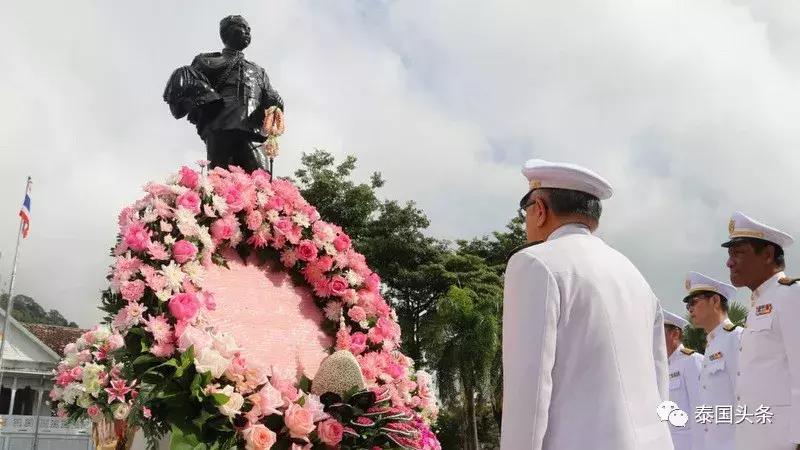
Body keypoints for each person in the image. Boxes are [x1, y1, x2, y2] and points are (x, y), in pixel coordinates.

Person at [501, 159, 673, 450]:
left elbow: (528, 393)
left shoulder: (534, 264)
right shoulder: (635, 276)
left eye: (526, 211)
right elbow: (659, 383)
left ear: (540, 209)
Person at [163, 15, 285, 172]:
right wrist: (209, 101)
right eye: (242, 27)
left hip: (253, 130)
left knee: (261, 178)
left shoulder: (259, 71)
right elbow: (186, 80)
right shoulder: (207, 61)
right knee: (219, 178)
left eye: (249, 29)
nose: (247, 31)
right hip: (220, 128)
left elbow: (269, 97)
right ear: (227, 32)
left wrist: (275, 101)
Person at [722, 212, 800, 450]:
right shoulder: (758, 304)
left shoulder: (791, 294)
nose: (729, 262)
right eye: (729, 254)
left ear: (767, 254)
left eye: (738, 253)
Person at [682, 271, 741, 450]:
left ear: (715, 301)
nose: (690, 309)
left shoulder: (736, 338)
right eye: (688, 305)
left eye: (694, 302)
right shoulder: (712, 344)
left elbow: (746, 398)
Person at [664, 310, 704, 450]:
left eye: (658, 334)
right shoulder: (662, 366)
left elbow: (701, 410)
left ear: (674, 334)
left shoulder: (692, 361)